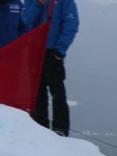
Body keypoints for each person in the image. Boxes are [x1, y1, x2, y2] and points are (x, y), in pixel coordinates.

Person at [22, 0, 78, 136]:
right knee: (37, 90)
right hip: (35, 50)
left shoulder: (66, 2)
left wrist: (60, 50)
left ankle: (60, 128)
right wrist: (38, 4)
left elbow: (71, 24)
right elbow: (25, 22)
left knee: (57, 90)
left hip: (53, 52)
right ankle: (40, 124)